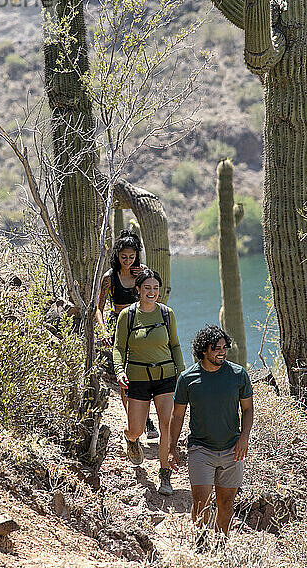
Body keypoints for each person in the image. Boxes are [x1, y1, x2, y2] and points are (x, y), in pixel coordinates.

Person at [168, 325, 253, 543]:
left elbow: (247, 409)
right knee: (200, 503)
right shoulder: (188, 378)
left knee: (225, 504)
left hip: (232, 450)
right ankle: (201, 545)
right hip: (200, 450)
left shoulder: (238, 374)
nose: (222, 352)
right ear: (204, 350)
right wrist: (172, 447)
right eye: (216, 348)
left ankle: (221, 546)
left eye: (225, 347)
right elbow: (177, 416)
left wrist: (244, 438)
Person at [113, 269, 185, 495]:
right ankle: (131, 439)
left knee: (166, 425)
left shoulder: (166, 314)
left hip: (165, 378)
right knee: (137, 428)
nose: (152, 292)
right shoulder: (128, 315)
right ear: (138, 290)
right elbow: (118, 348)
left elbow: (175, 345)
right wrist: (119, 371)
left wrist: (180, 372)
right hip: (138, 379)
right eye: (147, 288)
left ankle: (165, 476)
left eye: (155, 288)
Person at [96, 229, 158, 438]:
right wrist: (103, 330)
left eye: (132, 257)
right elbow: (99, 307)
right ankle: (135, 422)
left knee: (143, 373)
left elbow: (153, 295)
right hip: (118, 325)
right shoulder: (109, 277)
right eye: (124, 257)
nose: (128, 261)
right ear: (117, 255)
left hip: (140, 325)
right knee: (124, 376)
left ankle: (147, 419)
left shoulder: (142, 273)